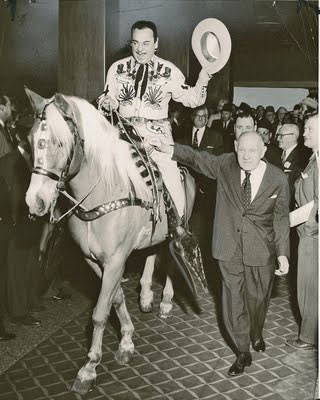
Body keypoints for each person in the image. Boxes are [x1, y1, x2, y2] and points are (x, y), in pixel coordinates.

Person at [146, 131, 290, 377]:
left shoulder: (277, 178)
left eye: (252, 151)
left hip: (261, 249)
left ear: (264, 151)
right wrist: (169, 147)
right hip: (228, 245)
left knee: (258, 298)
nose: (246, 156)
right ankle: (242, 350)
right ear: (235, 147)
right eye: (241, 149)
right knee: (232, 299)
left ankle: (256, 331)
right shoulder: (225, 165)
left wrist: (282, 253)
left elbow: (280, 217)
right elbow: (197, 158)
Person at [99, 20, 212, 222]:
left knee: (172, 181)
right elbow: (109, 96)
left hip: (157, 139)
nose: (140, 49)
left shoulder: (170, 71)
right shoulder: (117, 68)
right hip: (123, 136)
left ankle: (179, 229)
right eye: (135, 43)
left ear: (156, 43)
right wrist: (107, 102)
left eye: (145, 43)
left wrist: (203, 79)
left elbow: (194, 99)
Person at [0, 121, 43, 326]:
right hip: (16, 225)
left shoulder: (35, 160)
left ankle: (30, 302)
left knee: (29, 265)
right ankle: (18, 312)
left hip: (31, 222)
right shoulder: (9, 161)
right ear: (19, 138)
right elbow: (8, 194)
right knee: (16, 269)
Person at [286, 114, 318, 351]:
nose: (304, 132)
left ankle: (308, 337)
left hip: (313, 235)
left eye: (309, 129)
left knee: (309, 287)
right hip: (306, 231)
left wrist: (305, 226)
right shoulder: (313, 159)